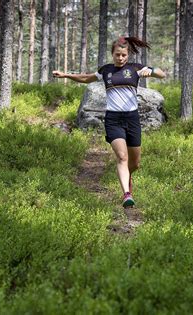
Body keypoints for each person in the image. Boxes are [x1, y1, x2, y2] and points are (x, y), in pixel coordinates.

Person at [53, 36, 166, 208]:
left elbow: (161, 74)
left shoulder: (135, 68)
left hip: (132, 118)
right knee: (122, 156)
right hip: (113, 119)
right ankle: (126, 194)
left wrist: (151, 71)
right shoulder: (106, 70)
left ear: (128, 55)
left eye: (123, 55)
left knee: (135, 164)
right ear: (112, 54)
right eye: (117, 55)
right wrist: (66, 75)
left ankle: (128, 176)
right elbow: (86, 78)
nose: (120, 58)